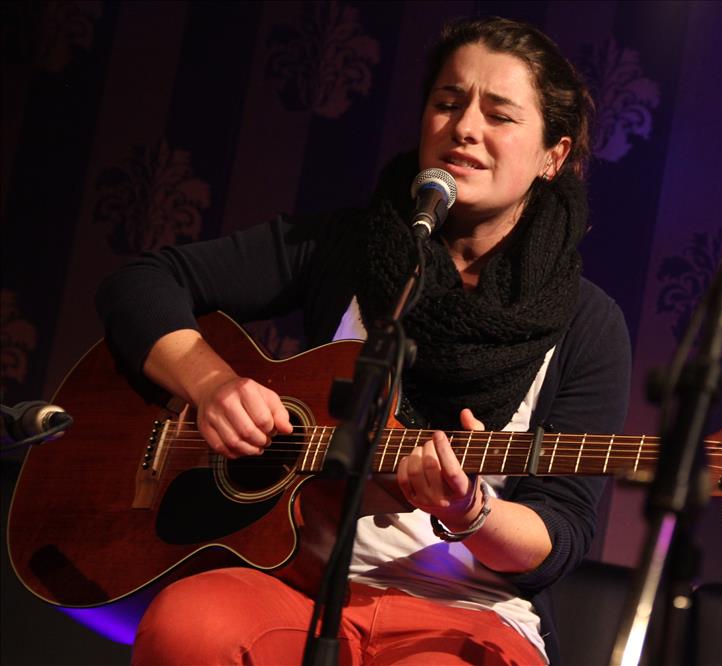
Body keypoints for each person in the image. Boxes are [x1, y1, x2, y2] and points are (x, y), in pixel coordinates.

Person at [97, 16, 631, 666]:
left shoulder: (588, 324)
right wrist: (212, 385)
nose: (464, 128)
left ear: (553, 155)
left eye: (499, 115)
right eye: (447, 102)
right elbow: (142, 285)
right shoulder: (351, 246)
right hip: (299, 581)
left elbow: (560, 534)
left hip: (472, 613)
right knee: (188, 626)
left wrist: (470, 512)